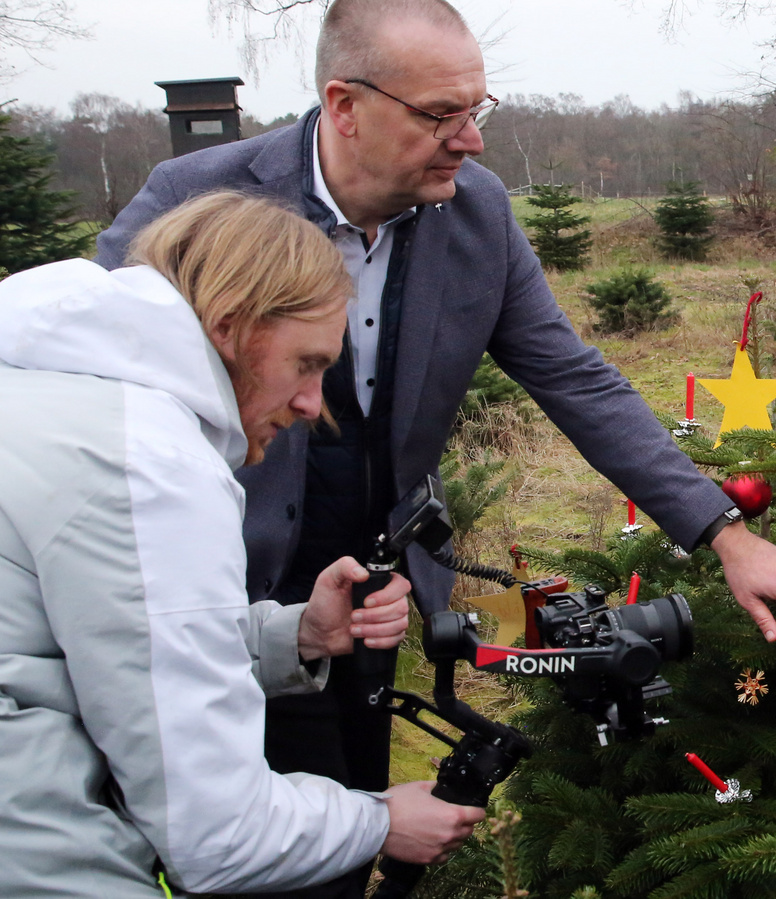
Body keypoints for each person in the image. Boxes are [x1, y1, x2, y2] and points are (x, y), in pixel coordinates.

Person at [95, 6, 776, 893]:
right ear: (345, 105)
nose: (474, 140)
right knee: (244, 841)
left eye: (478, 107)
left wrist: (726, 532)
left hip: (376, 590)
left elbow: (574, 378)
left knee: (344, 823)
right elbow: (102, 391)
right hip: (228, 592)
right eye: (439, 115)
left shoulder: (476, 214)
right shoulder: (198, 198)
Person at [0, 192, 483, 897]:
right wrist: (377, 821)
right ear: (230, 327)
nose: (315, 406)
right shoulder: (147, 464)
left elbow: (94, 639)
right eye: (307, 364)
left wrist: (296, 635)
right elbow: (215, 834)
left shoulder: (49, 384)